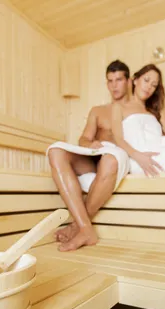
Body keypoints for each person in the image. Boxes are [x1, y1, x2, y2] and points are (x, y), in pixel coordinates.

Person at [46, 60, 132, 252]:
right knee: (55, 151)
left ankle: (77, 226)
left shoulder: (136, 109)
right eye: (110, 81)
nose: (114, 85)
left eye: (118, 80)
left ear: (128, 81)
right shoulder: (98, 111)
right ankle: (86, 228)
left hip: (116, 157)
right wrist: (90, 143)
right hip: (95, 155)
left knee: (110, 159)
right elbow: (83, 138)